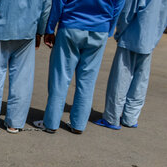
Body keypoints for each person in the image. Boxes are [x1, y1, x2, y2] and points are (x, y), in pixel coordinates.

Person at [33, 0, 126, 134]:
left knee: (60, 78)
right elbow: (118, 6)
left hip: (71, 25)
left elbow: (58, 3)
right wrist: (109, 29)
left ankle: (51, 123)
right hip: (100, 29)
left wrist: (50, 28)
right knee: (87, 81)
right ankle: (78, 125)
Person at [0, 0, 52, 135]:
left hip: (1, 28)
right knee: (22, 80)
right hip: (28, 30)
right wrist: (40, 31)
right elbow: (46, 8)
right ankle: (14, 123)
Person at [93, 0, 167, 130]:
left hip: (131, 36)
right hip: (150, 39)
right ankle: (131, 118)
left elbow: (128, 12)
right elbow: (163, 17)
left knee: (120, 78)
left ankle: (112, 117)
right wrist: (155, 38)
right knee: (140, 82)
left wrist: (119, 32)